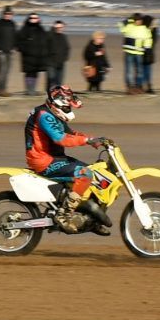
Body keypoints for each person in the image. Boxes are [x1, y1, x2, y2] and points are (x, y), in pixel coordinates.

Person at [23, 84, 111, 234]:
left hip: (54, 158)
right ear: (59, 102)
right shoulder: (44, 115)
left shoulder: (53, 114)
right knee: (85, 174)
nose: (70, 109)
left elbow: (72, 134)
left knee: (94, 173)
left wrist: (94, 139)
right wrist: (86, 141)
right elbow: (61, 139)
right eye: (68, 106)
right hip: (43, 161)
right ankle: (63, 216)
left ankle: (90, 220)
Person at [17, 13, 49, 96]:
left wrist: (44, 52)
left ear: (38, 19)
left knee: (35, 73)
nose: (33, 19)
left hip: (39, 57)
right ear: (29, 19)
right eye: (32, 18)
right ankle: (29, 90)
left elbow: (45, 41)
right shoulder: (24, 29)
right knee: (29, 73)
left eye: (35, 18)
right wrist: (25, 50)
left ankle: (33, 90)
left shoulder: (41, 29)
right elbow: (19, 42)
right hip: (28, 56)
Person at [120, 13, 150, 94]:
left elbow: (148, 39)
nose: (138, 22)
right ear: (134, 20)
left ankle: (139, 86)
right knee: (129, 71)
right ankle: (130, 87)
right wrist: (129, 19)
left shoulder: (144, 29)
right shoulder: (129, 26)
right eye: (136, 20)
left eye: (139, 20)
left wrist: (147, 48)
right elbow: (120, 26)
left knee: (139, 71)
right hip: (129, 52)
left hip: (139, 53)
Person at [0, 6, 17, 96]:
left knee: (7, 71)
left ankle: (4, 89)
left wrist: (14, 47)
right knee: (2, 71)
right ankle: (0, 90)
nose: (7, 15)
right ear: (3, 14)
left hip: (10, 51)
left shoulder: (13, 24)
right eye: (6, 14)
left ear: (12, 15)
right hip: (1, 51)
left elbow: (15, 36)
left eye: (9, 14)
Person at [47, 20, 72, 89]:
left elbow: (67, 48)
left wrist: (65, 58)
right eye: (58, 27)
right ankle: (50, 95)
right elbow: (45, 46)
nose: (59, 29)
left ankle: (57, 95)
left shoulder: (64, 37)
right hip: (51, 62)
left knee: (59, 81)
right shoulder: (50, 35)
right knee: (52, 80)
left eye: (61, 27)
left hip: (61, 62)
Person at [140, 15, 159, 93]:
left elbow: (154, 41)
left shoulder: (152, 31)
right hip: (145, 54)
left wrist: (154, 27)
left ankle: (147, 86)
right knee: (144, 71)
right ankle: (146, 86)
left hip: (148, 54)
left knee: (146, 71)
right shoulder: (147, 31)